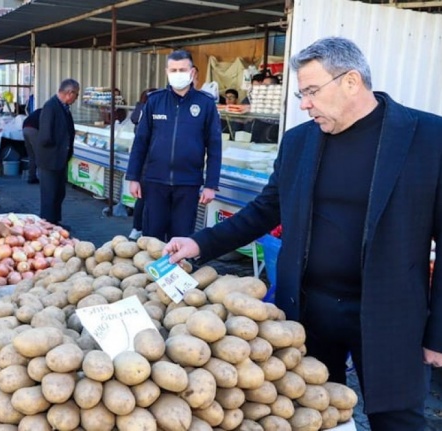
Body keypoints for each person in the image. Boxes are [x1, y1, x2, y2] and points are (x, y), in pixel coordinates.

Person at [164, 37, 442, 431]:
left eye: (311, 91)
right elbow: (264, 210)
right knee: (314, 417)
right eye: (301, 93)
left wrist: (439, 331)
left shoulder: (429, 137)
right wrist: (201, 243)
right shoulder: (299, 141)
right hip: (310, 312)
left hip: (390, 315)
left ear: (351, 82)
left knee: (397, 419)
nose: (304, 103)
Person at [126, 50, 222, 242]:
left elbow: (214, 147)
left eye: (182, 69)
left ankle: (179, 271)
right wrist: (133, 177)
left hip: (188, 183)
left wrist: (211, 184)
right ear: (167, 72)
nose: (178, 73)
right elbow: (140, 142)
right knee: (152, 236)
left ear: (192, 72)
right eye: (174, 70)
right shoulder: (155, 100)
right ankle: (152, 272)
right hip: (155, 182)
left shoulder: (206, 104)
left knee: (182, 237)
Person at [36, 79, 79, 229]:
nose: (76, 98)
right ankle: (47, 225)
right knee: (49, 195)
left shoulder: (64, 107)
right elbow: (45, 136)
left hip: (60, 159)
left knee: (59, 193)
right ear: (69, 93)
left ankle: (55, 222)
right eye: (76, 94)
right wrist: (59, 147)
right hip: (50, 159)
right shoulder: (51, 106)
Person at [128, 88, 156, 241]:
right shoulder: (148, 115)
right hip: (148, 164)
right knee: (145, 199)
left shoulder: (138, 112)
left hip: (143, 164)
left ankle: (137, 229)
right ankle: (141, 230)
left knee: (142, 199)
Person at [22, 108, 42, 184]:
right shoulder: (47, 113)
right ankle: (43, 178)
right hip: (33, 130)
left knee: (31, 155)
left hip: (25, 129)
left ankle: (31, 177)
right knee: (40, 155)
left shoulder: (38, 111)